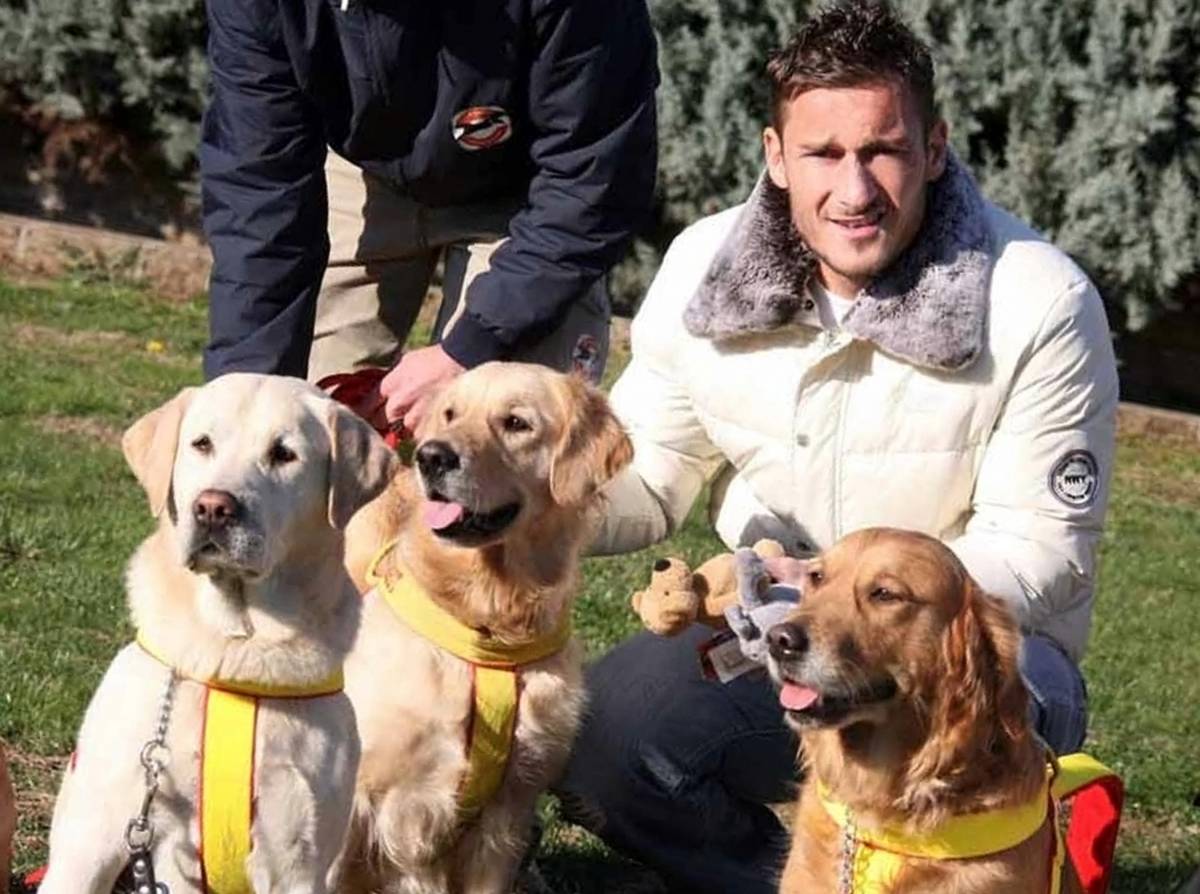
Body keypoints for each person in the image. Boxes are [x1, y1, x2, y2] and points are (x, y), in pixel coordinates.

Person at [555, 2, 1119, 892]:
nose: (855, 192)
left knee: (988, 732)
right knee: (602, 745)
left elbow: (1041, 551)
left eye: (882, 151)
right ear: (776, 156)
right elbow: (651, 472)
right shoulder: (703, 265)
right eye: (822, 153)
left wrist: (851, 588)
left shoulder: (1041, 301)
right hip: (776, 636)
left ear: (934, 148)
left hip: (979, 648)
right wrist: (532, 500)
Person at [199, 0, 658, 431]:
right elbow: (258, 184)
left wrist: (470, 348)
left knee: (501, 426)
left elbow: (593, 179)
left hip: (533, 194)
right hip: (363, 164)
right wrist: (244, 395)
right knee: (297, 427)